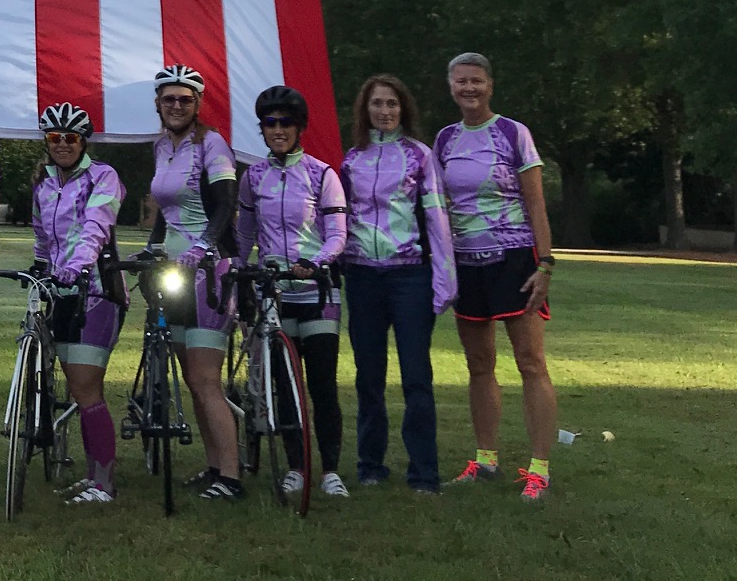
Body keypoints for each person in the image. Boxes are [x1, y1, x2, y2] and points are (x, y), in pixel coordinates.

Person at [434, 52, 559, 502]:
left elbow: (536, 203)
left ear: (490, 85)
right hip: (467, 263)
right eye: (461, 82)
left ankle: (539, 468)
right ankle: (485, 459)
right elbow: (439, 207)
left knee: (530, 362)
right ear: (450, 86)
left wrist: (545, 263)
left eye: (477, 81)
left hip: (515, 259)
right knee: (479, 365)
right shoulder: (445, 139)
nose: (469, 89)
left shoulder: (513, 133)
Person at [339, 74, 456, 495]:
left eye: (392, 104)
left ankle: (424, 472)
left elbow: (437, 220)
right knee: (368, 376)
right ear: (364, 110)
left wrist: (444, 282)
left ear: (403, 109)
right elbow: (339, 218)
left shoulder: (420, 156)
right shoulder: (352, 159)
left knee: (416, 376)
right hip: (362, 275)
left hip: (409, 275)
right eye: (376, 104)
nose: (385, 111)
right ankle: (370, 464)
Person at [234, 84, 349, 499]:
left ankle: (330, 470)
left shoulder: (321, 174)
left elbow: (337, 234)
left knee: (321, 386)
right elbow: (244, 233)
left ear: (299, 127)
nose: (278, 129)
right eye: (270, 123)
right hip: (274, 294)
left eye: (286, 122)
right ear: (262, 129)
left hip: (317, 292)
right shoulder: (254, 177)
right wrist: (240, 274)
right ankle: (297, 467)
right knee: (285, 386)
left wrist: (317, 264)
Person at [143, 63, 244, 501]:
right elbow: (165, 214)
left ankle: (232, 477)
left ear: (198, 104)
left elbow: (226, 204)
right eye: (170, 99)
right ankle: (214, 466)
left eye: (186, 99)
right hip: (173, 272)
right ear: (158, 105)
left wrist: (203, 247)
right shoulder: (161, 146)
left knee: (206, 379)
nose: (177, 105)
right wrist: (150, 248)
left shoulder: (213, 144)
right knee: (192, 378)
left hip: (209, 270)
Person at [29, 102, 126, 505]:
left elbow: (97, 225)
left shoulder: (103, 176)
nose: (63, 144)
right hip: (60, 293)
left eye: (71, 138)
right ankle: (92, 475)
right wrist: (39, 270)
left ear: (83, 141)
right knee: (78, 388)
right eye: (55, 138)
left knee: (86, 386)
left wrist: (78, 264)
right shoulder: (43, 184)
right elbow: (41, 236)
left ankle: (104, 483)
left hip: (98, 290)